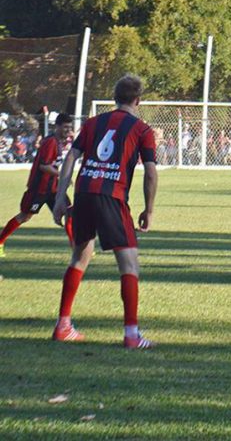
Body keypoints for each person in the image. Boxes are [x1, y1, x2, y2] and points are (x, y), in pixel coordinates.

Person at [51, 75, 158, 349]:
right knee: (129, 264)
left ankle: (63, 325)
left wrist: (61, 194)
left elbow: (71, 157)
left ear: (114, 97)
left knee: (80, 255)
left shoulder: (92, 123)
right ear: (138, 100)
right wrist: (149, 208)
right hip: (112, 196)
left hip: (84, 193)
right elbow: (150, 173)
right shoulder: (142, 130)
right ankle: (132, 334)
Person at [0, 113, 74, 257]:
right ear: (57, 126)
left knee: (70, 212)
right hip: (39, 189)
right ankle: (0, 241)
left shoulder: (58, 142)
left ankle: (76, 247)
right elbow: (44, 166)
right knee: (25, 216)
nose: (68, 130)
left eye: (69, 127)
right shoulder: (51, 142)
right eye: (65, 127)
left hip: (53, 189)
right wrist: (62, 175)